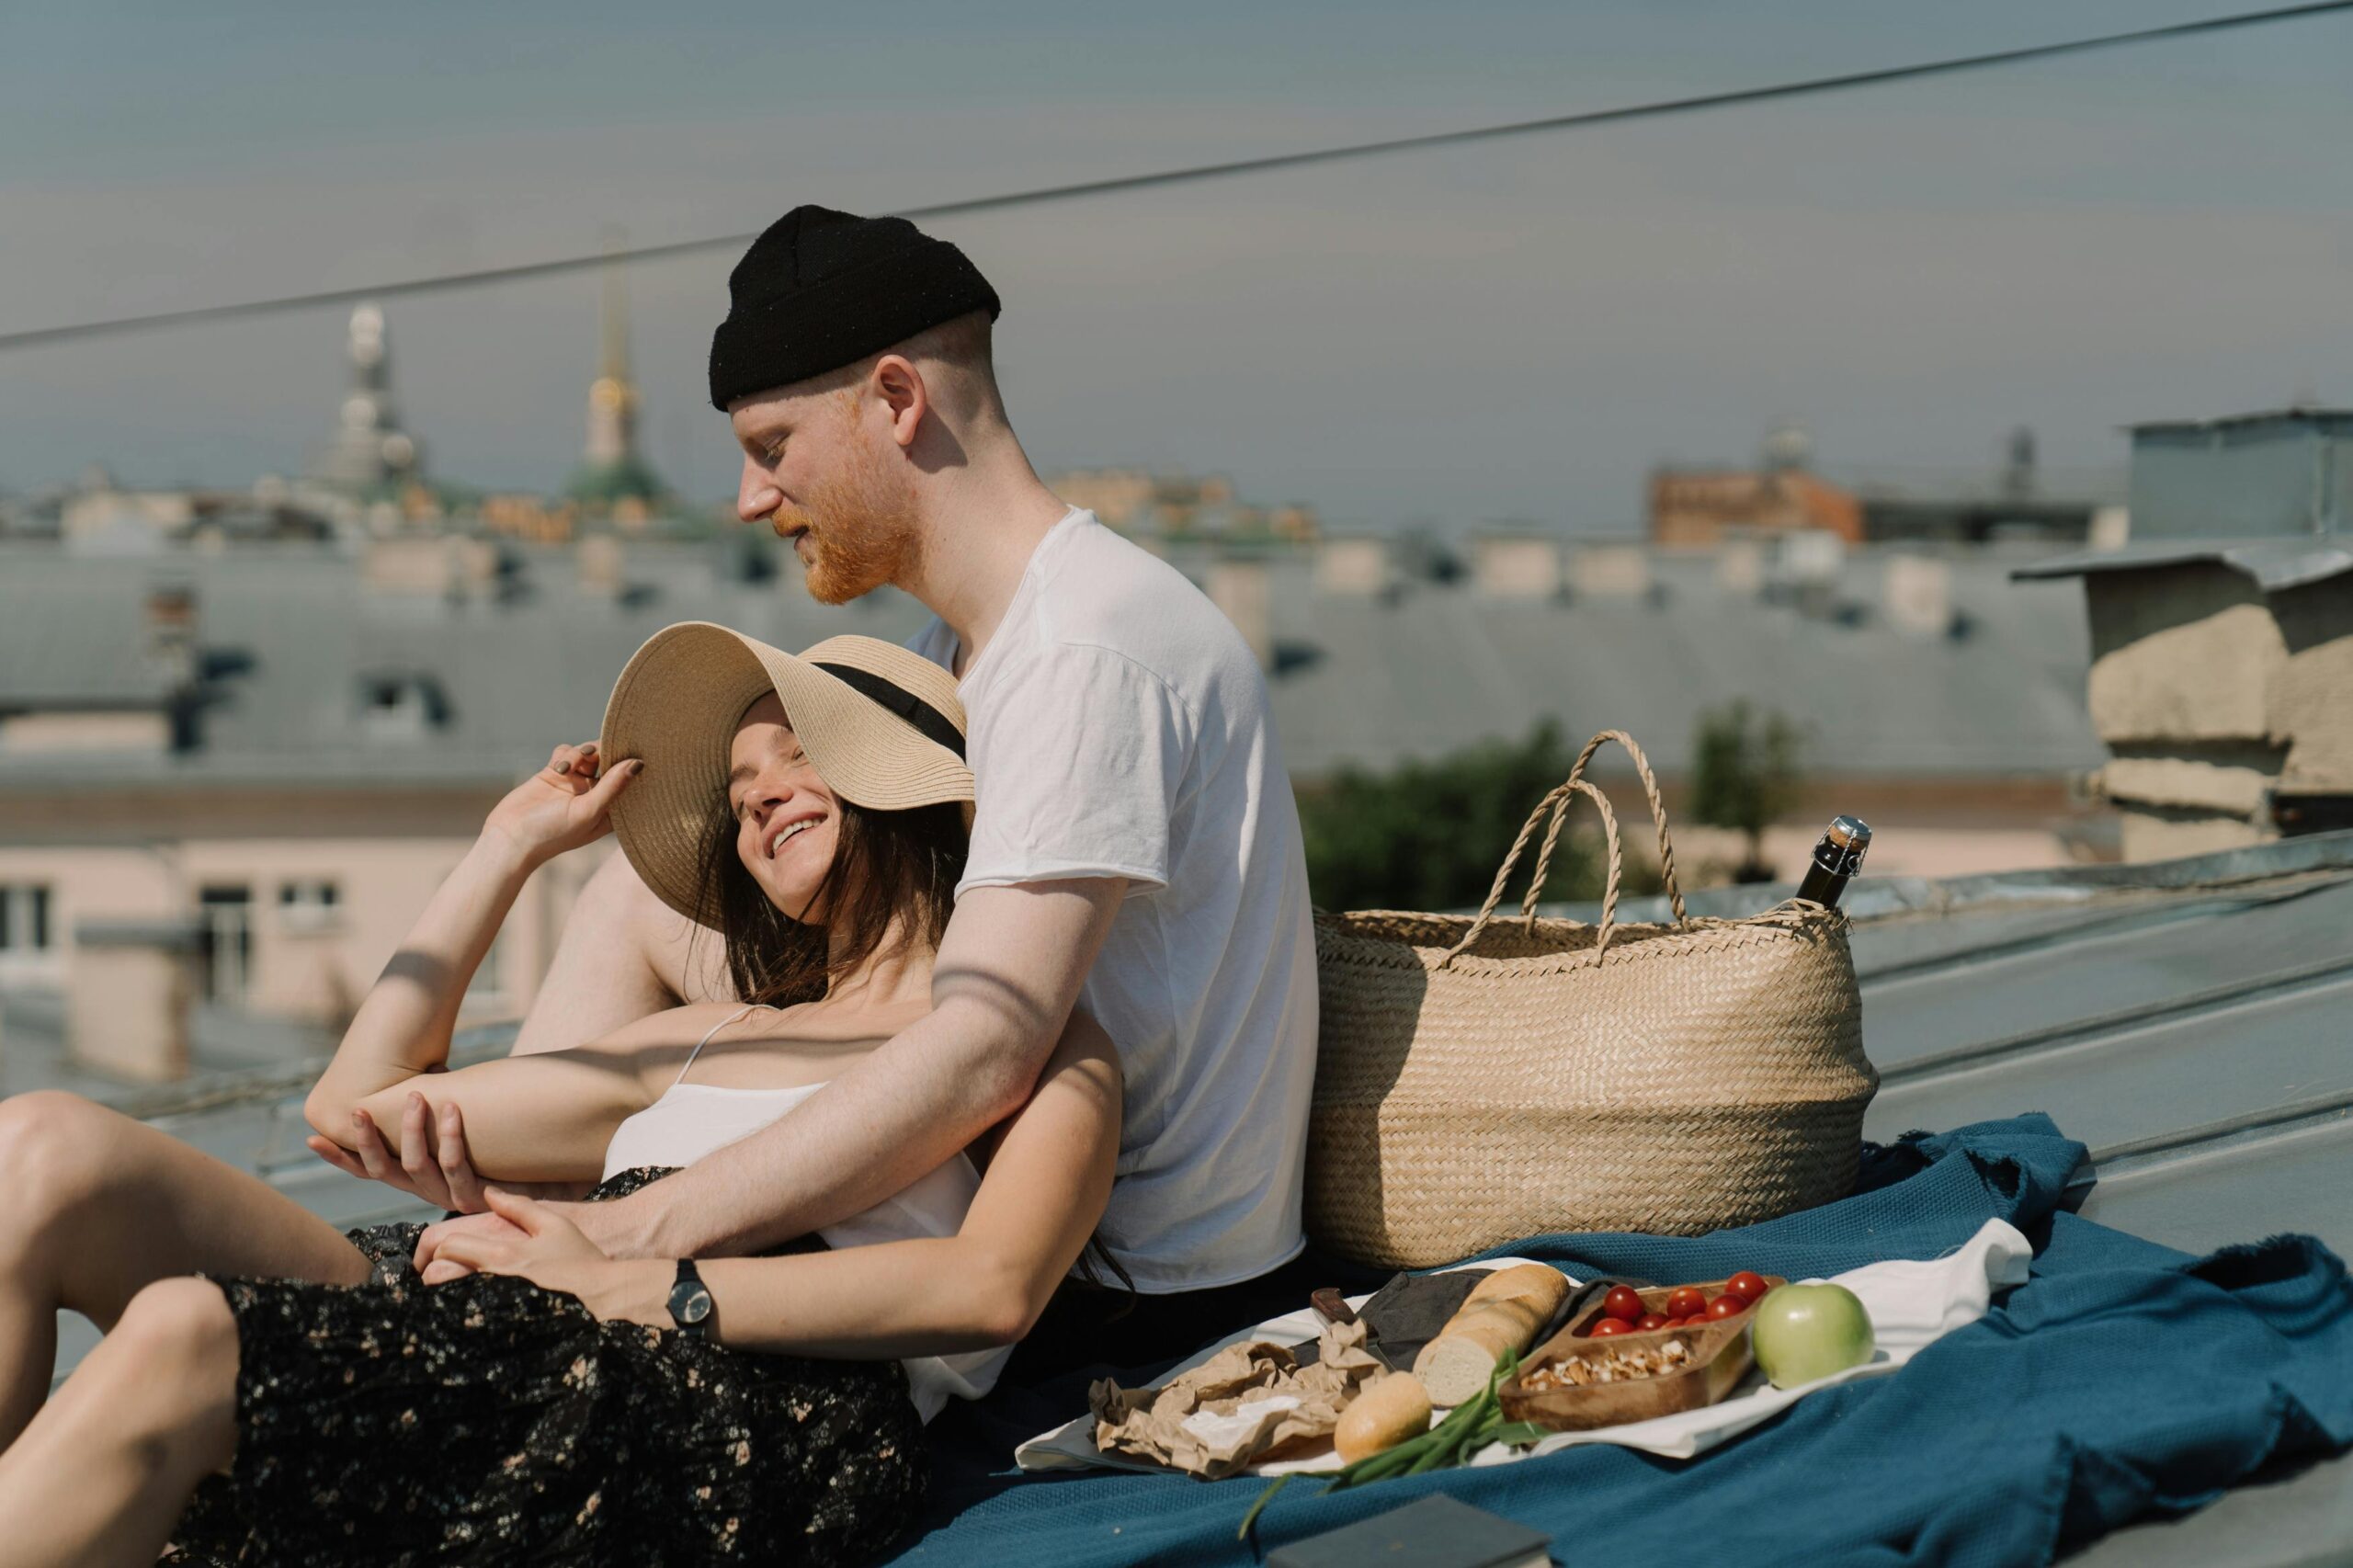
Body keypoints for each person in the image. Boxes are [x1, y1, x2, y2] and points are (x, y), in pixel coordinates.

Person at [362, 206, 1336, 1380]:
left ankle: (553, 1256)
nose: (747, 498)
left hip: (1121, 1299)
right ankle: (516, 1239)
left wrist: (632, 1242)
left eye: (772, 446)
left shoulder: (1089, 647)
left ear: (893, 398)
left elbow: (986, 1048)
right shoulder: (962, 643)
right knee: (632, 896)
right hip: (996, 1185)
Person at [0, 631, 1121, 1567]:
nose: (760, 795)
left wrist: (657, 1283)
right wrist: (507, 850)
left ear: (911, 779)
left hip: (724, 1400)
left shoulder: (1028, 1035)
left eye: (797, 754)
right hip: (505, 1318)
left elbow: (991, 1287)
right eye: (737, 794)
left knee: (191, 1332)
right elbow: (357, 1109)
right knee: (43, 1147)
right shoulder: (707, 1032)